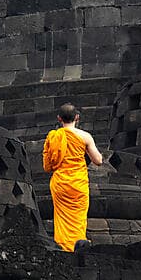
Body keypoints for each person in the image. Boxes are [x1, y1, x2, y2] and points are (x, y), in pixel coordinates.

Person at [41, 103, 103, 252]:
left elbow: (47, 166)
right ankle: (77, 248)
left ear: (59, 118)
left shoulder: (53, 137)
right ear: (77, 117)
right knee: (78, 219)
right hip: (78, 184)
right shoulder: (85, 137)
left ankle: (64, 248)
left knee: (62, 219)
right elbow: (98, 161)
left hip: (60, 184)